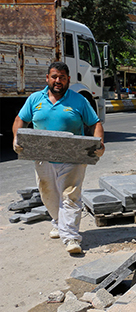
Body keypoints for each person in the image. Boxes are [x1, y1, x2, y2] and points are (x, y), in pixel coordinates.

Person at [12, 61, 105, 254]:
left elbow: (95, 123)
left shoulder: (79, 101)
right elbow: (20, 120)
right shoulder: (35, 99)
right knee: (49, 195)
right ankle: (58, 223)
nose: (58, 81)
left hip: (73, 157)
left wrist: (99, 143)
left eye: (62, 77)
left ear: (68, 80)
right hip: (43, 157)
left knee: (70, 195)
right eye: (54, 77)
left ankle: (71, 237)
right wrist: (16, 138)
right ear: (47, 78)